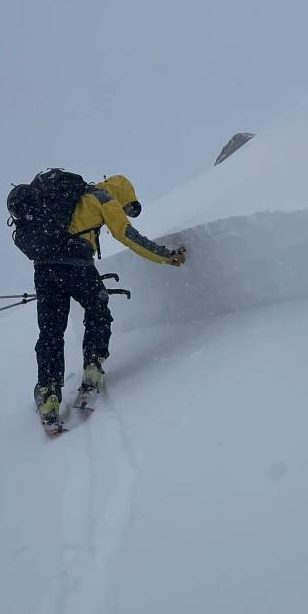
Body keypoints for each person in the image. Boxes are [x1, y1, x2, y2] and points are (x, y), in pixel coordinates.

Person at [32, 174, 185, 429]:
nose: (125, 209)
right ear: (122, 193)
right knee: (98, 313)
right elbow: (127, 235)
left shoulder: (66, 199)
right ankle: (92, 367)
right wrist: (165, 256)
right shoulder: (102, 199)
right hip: (79, 267)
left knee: (51, 331)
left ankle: (48, 394)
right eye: (127, 205)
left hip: (44, 270)